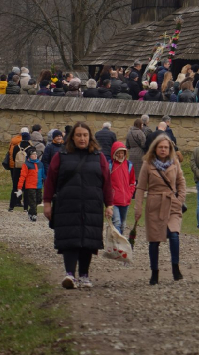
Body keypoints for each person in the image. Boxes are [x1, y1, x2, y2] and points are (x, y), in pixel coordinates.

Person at [44, 122, 114, 289]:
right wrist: (47, 203)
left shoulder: (99, 157)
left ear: (90, 137)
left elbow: (107, 182)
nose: (82, 138)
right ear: (72, 137)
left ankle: (84, 275)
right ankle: (69, 274)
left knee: (88, 241)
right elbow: (50, 181)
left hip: (92, 204)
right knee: (70, 239)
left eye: (85, 135)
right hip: (67, 204)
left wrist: (109, 204)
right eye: (78, 135)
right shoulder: (61, 156)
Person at [133, 135, 187, 284]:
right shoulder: (148, 164)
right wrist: (138, 207)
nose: (163, 150)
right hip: (155, 204)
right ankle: (154, 272)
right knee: (154, 241)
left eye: (166, 147)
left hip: (172, 204)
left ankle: (175, 267)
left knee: (174, 235)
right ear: (155, 148)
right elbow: (141, 187)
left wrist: (180, 199)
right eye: (160, 147)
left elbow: (182, 182)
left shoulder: (175, 162)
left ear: (170, 149)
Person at [18, 149, 45, 222]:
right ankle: (34, 215)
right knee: (32, 201)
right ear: (29, 156)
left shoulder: (40, 164)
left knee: (38, 200)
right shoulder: (26, 165)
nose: (35, 155)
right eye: (33, 154)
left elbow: (43, 175)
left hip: (39, 186)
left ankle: (30, 212)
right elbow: (22, 176)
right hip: (30, 186)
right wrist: (19, 187)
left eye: (36, 154)